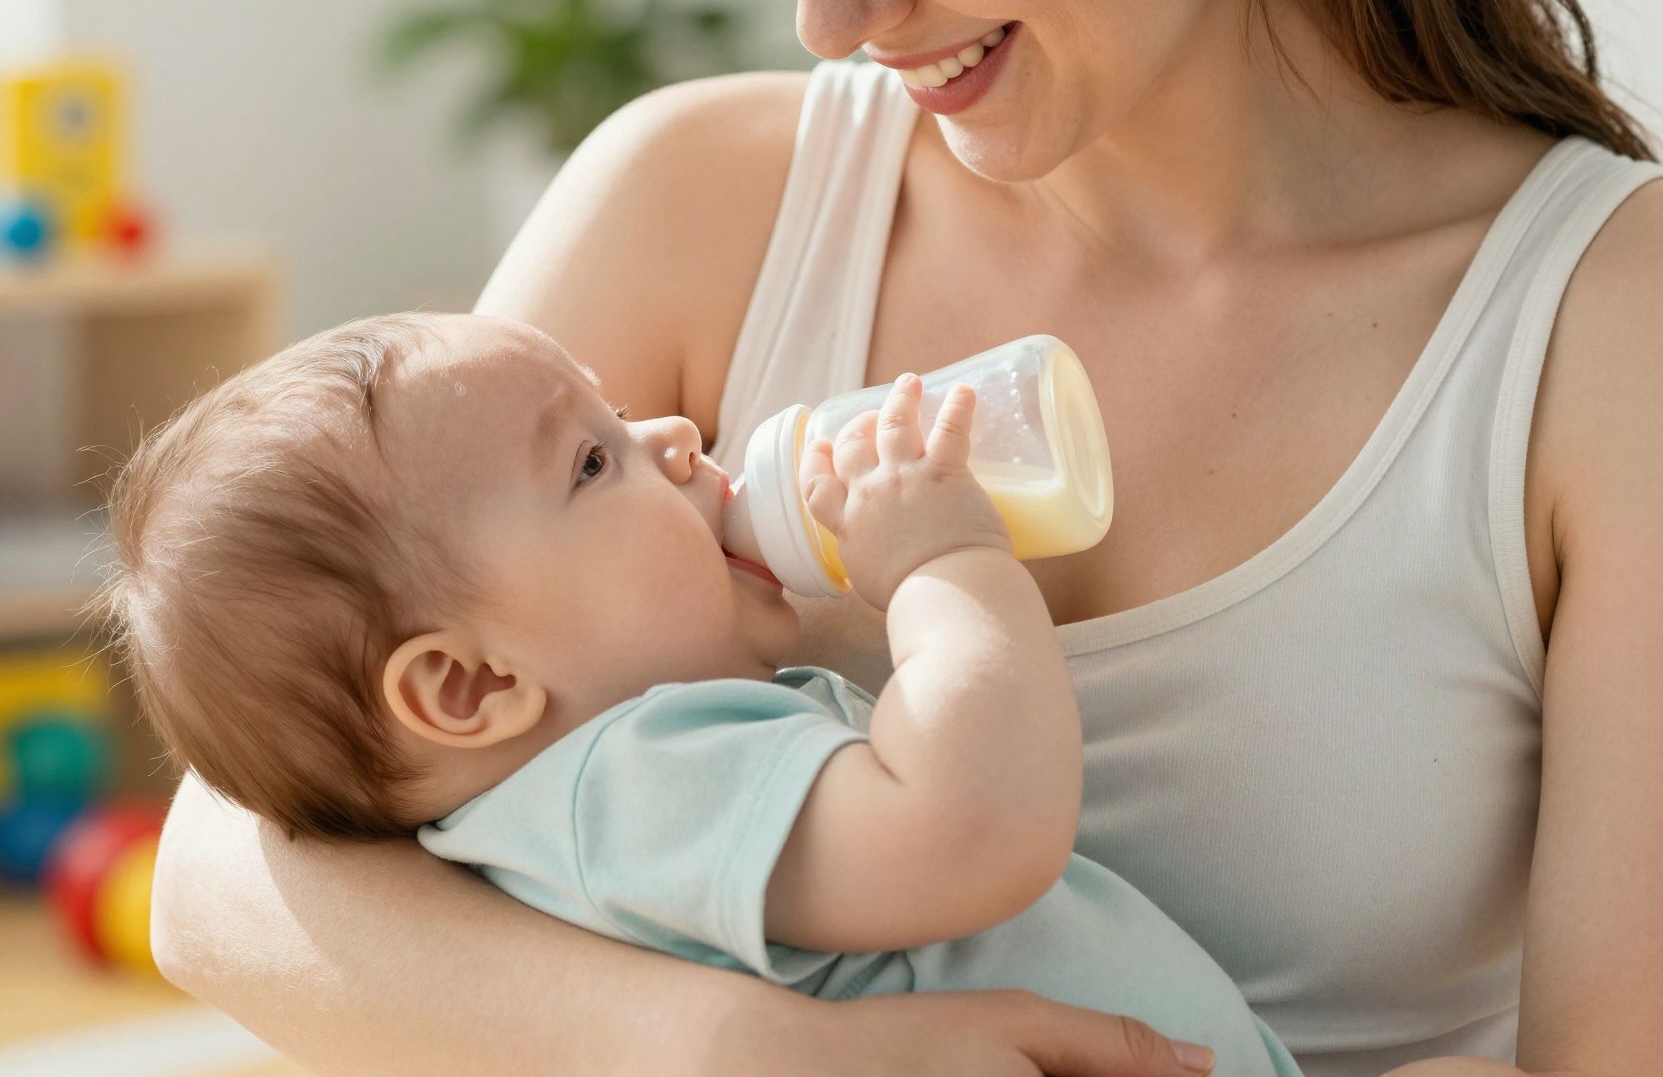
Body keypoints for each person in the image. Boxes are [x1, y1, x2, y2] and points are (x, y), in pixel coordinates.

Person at [149, 0, 1663, 1073]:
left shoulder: (1649, 326)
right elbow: (232, 875)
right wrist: (745, 1053)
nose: (825, 17)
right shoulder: (696, 199)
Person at [105, 312, 1297, 1076]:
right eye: (591, 461)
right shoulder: (632, 781)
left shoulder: (605, 800)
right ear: (470, 684)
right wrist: (945, 566)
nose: (674, 435)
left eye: (616, 415)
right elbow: (973, 829)